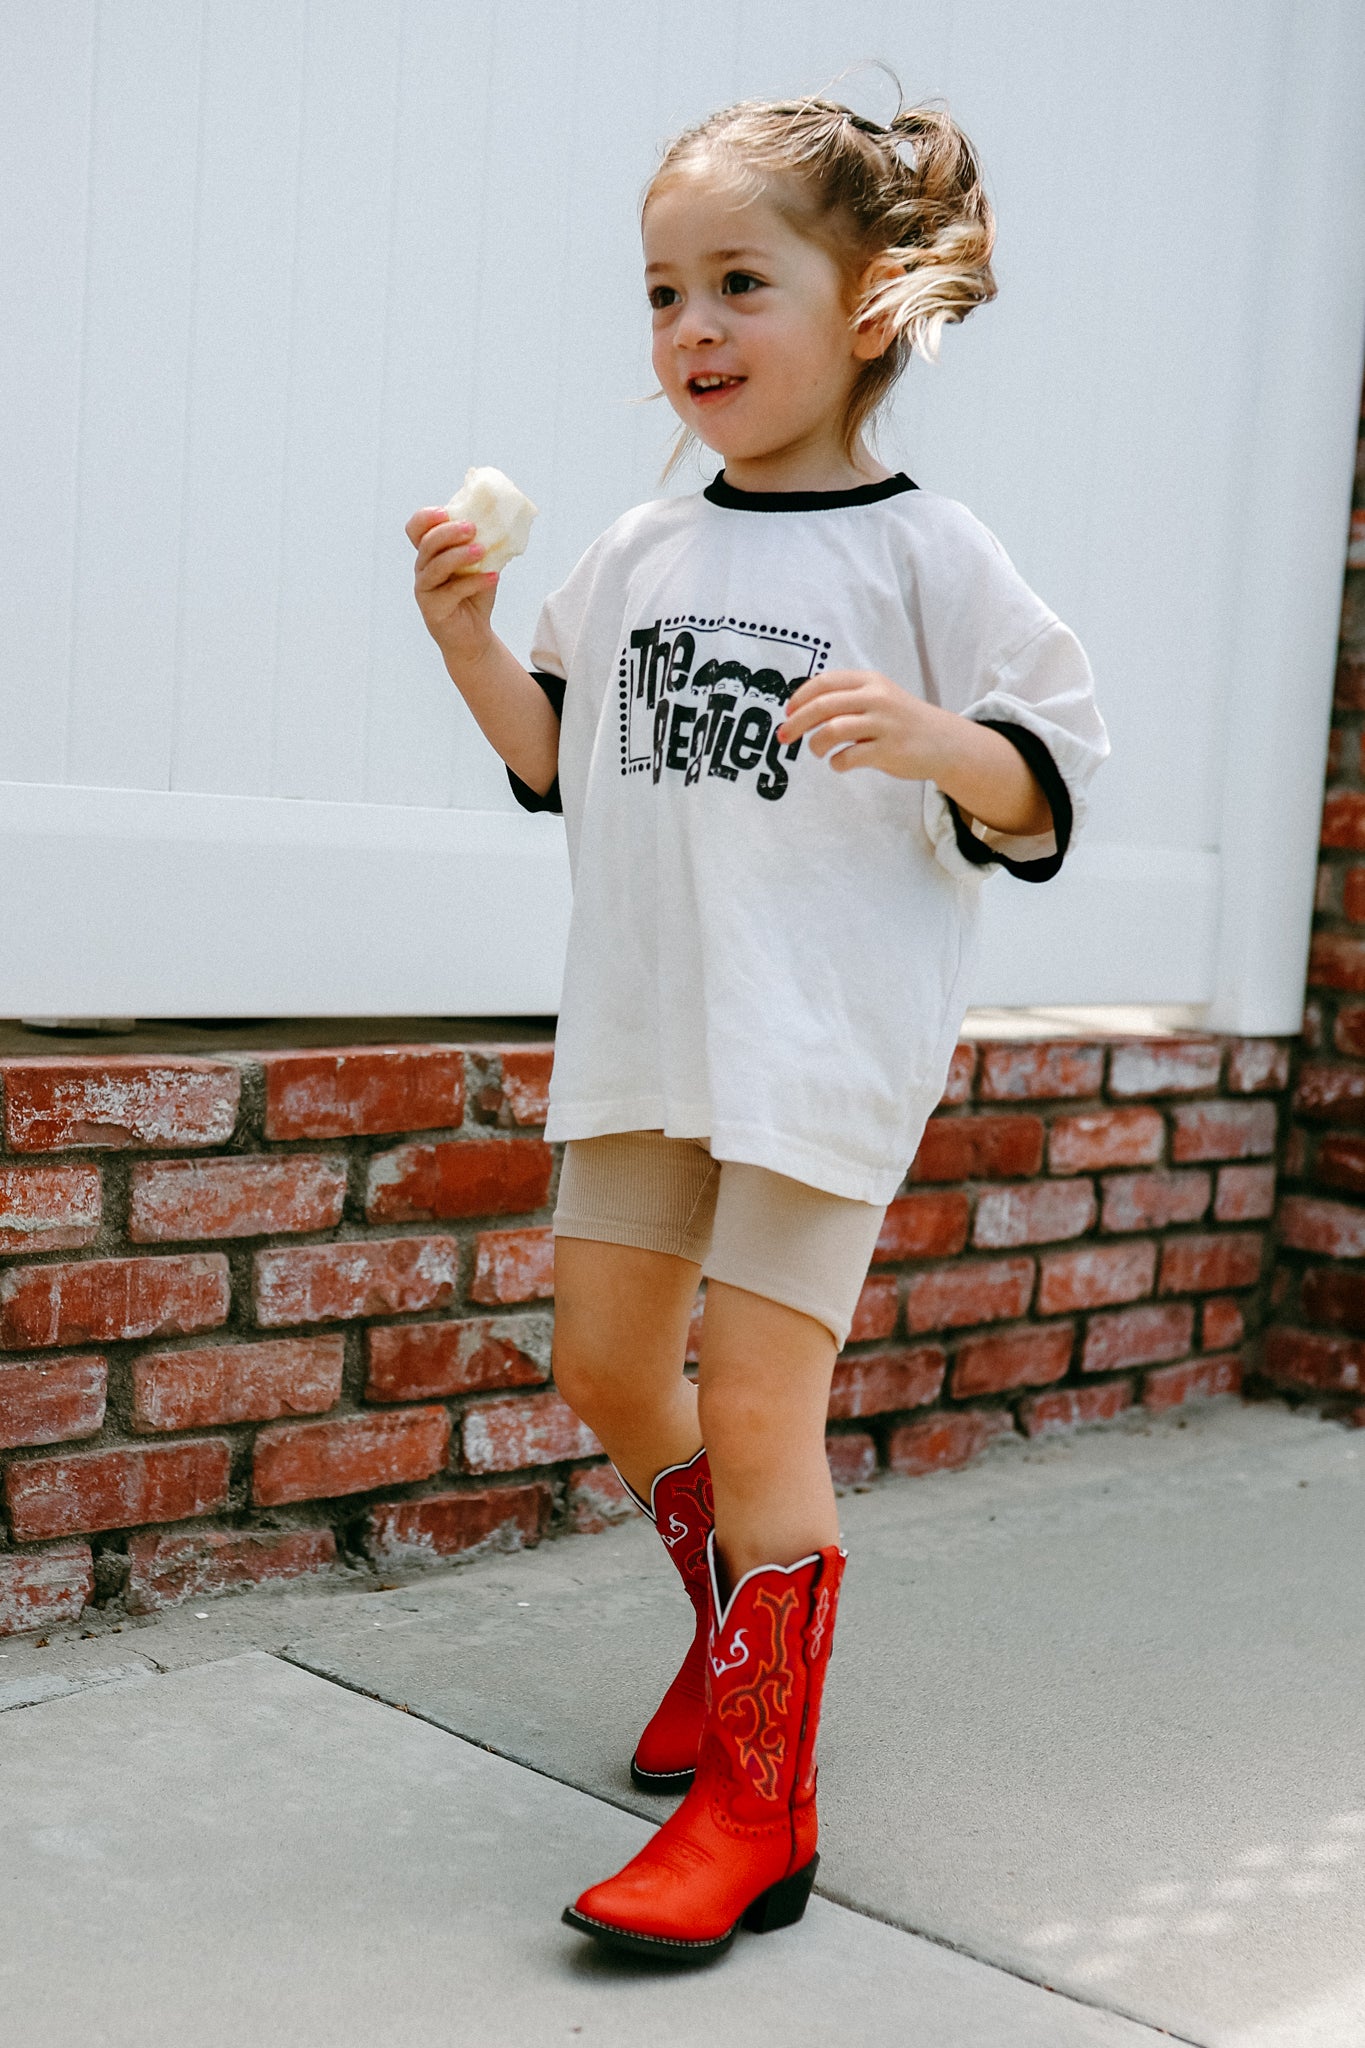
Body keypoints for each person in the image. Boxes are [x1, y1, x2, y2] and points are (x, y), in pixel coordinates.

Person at [405, 89, 1109, 1964]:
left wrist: (943, 739)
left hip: (817, 1049)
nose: (691, 332)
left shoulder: (928, 556)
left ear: (871, 307)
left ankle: (761, 1802)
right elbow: (558, 757)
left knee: (753, 1403)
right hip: (650, 1027)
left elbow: (1046, 786)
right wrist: (473, 641)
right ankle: (733, 1646)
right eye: (660, 295)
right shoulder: (638, 553)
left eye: (738, 284)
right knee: (606, 1366)